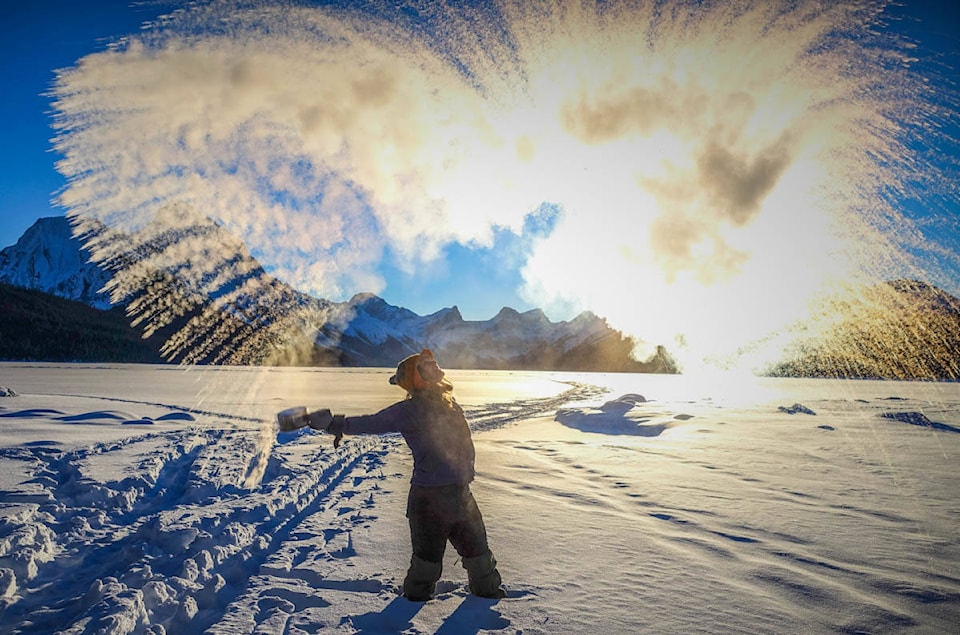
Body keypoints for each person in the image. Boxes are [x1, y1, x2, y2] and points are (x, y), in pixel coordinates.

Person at [308, 349, 506, 602]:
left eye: (434, 364)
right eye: (428, 366)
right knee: (427, 564)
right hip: (429, 500)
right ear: (418, 376)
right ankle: (410, 612)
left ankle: (488, 598)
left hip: (460, 495)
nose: (435, 368)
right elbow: (373, 422)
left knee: (479, 556)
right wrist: (335, 424)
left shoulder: (449, 403)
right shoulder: (408, 411)